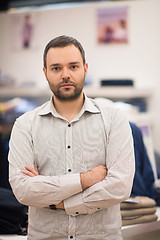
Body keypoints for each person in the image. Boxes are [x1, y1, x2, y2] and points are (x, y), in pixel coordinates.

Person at [8, 35, 135, 240]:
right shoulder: (25, 125)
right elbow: (24, 191)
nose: (65, 75)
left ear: (85, 69)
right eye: (56, 68)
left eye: (73, 67)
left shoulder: (113, 119)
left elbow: (119, 187)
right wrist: (88, 179)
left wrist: (57, 201)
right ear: (45, 73)